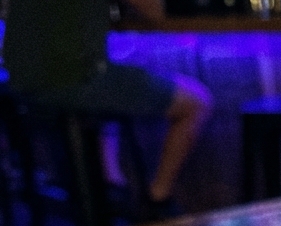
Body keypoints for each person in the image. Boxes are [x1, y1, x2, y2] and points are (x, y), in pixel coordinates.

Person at [2, 0, 212, 213]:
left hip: (19, 80)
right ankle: (158, 199)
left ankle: (110, 181)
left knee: (126, 62)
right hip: (73, 79)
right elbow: (156, 11)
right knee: (196, 101)